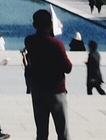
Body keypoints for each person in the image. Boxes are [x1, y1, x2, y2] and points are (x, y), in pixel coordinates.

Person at [23, 8, 72, 140]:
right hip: (56, 90)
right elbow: (68, 67)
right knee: (62, 131)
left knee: (41, 132)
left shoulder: (29, 40)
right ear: (51, 24)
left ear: (34, 25)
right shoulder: (57, 44)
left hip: (37, 88)